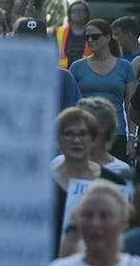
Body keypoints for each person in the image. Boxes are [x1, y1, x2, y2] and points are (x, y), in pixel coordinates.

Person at [54, 105, 129, 246]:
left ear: (93, 140)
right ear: (59, 141)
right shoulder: (47, 181)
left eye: (83, 134)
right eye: (69, 134)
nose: (76, 140)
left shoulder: (113, 181)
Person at [68, 17, 137, 158]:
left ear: (108, 37)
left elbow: (131, 106)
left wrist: (131, 138)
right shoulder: (77, 67)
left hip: (116, 133)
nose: (90, 40)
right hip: (85, 133)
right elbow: (70, 104)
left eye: (95, 36)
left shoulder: (125, 67)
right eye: (87, 37)